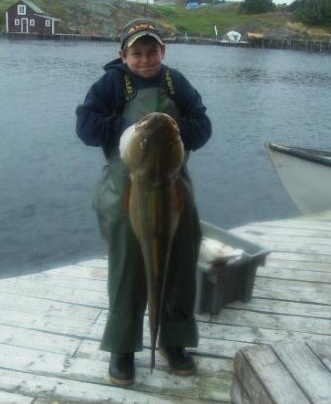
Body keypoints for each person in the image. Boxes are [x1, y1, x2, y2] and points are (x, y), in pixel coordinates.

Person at [75, 19, 211, 386]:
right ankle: (123, 346)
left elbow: (203, 124)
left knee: (180, 259)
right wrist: (134, 132)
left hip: (172, 182)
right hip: (126, 185)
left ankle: (175, 340)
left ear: (162, 52)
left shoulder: (174, 82)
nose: (145, 58)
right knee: (129, 265)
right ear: (123, 55)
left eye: (152, 51)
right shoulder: (111, 83)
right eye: (137, 52)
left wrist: (179, 132)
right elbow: (86, 126)